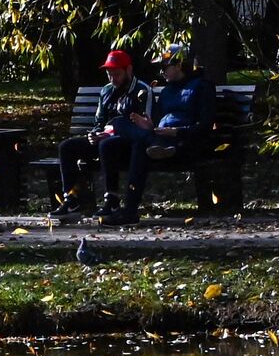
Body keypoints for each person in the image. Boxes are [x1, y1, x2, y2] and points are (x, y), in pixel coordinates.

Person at [98, 43, 215, 227]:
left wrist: (176, 131)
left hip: (185, 143)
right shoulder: (168, 90)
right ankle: (117, 203)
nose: (162, 72)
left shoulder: (202, 87)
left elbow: (205, 127)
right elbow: (158, 121)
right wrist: (148, 125)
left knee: (139, 146)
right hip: (159, 141)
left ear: (178, 65)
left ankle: (129, 211)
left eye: (165, 67)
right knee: (116, 130)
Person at [48, 49, 152, 221]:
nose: (113, 79)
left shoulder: (142, 91)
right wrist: (95, 134)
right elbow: (99, 120)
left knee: (107, 145)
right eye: (109, 74)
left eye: (117, 74)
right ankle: (71, 199)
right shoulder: (106, 91)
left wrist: (108, 134)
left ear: (129, 70)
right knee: (67, 147)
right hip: (105, 138)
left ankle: (111, 199)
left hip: (128, 144)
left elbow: (144, 127)